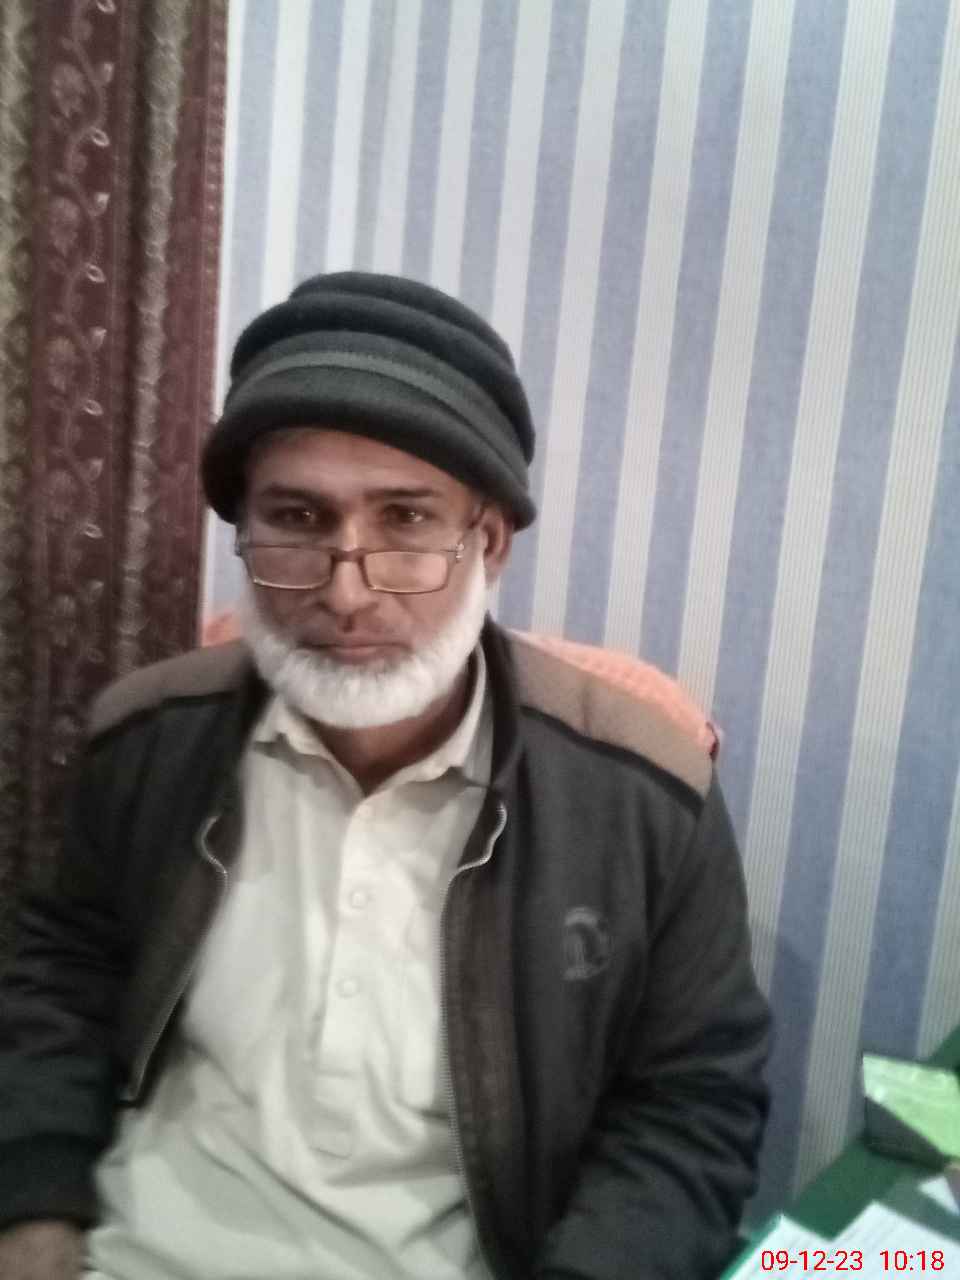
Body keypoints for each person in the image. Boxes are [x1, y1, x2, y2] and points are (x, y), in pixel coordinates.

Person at [0, 272, 771, 1279]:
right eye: (297, 518)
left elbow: (691, 1108)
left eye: (406, 519)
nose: (346, 589)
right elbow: (63, 977)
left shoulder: (645, 797)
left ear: (487, 543)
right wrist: (35, 1206)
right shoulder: (147, 738)